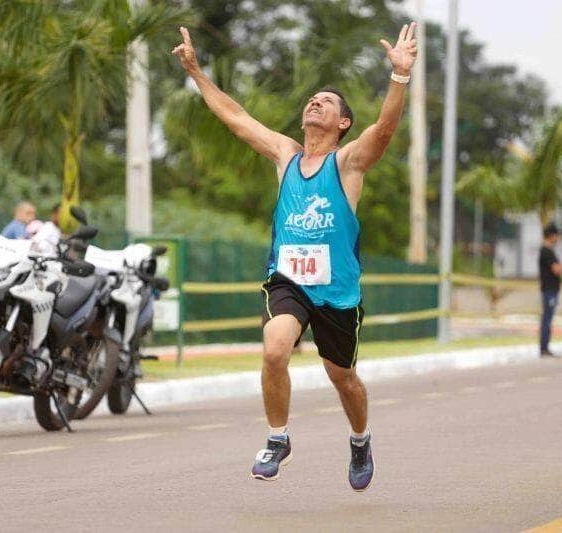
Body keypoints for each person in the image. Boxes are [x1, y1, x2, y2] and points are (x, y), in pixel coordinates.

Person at [173, 22, 417, 491]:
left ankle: (360, 439)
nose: (314, 102)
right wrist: (196, 72)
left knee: (342, 378)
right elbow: (236, 117)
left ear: (342, 123)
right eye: (312, 99)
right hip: (288, 280)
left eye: (325, 102)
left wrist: (399, 77)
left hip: (337, 291)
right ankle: (277, 437)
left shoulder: (346, 164)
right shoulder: (285, 155)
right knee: (274, 348)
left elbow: (384, 130)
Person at [539, 223, 562, 358]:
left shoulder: (550, 251)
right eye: (556, 235)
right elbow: (557, 269)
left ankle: (545, 347)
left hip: (551, 289)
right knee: (547, 319)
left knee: (548, 318)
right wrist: (561, 268)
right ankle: (544, 348)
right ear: (551, 235)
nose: (558, 238)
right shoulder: (546, 251)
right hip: (549, 290)